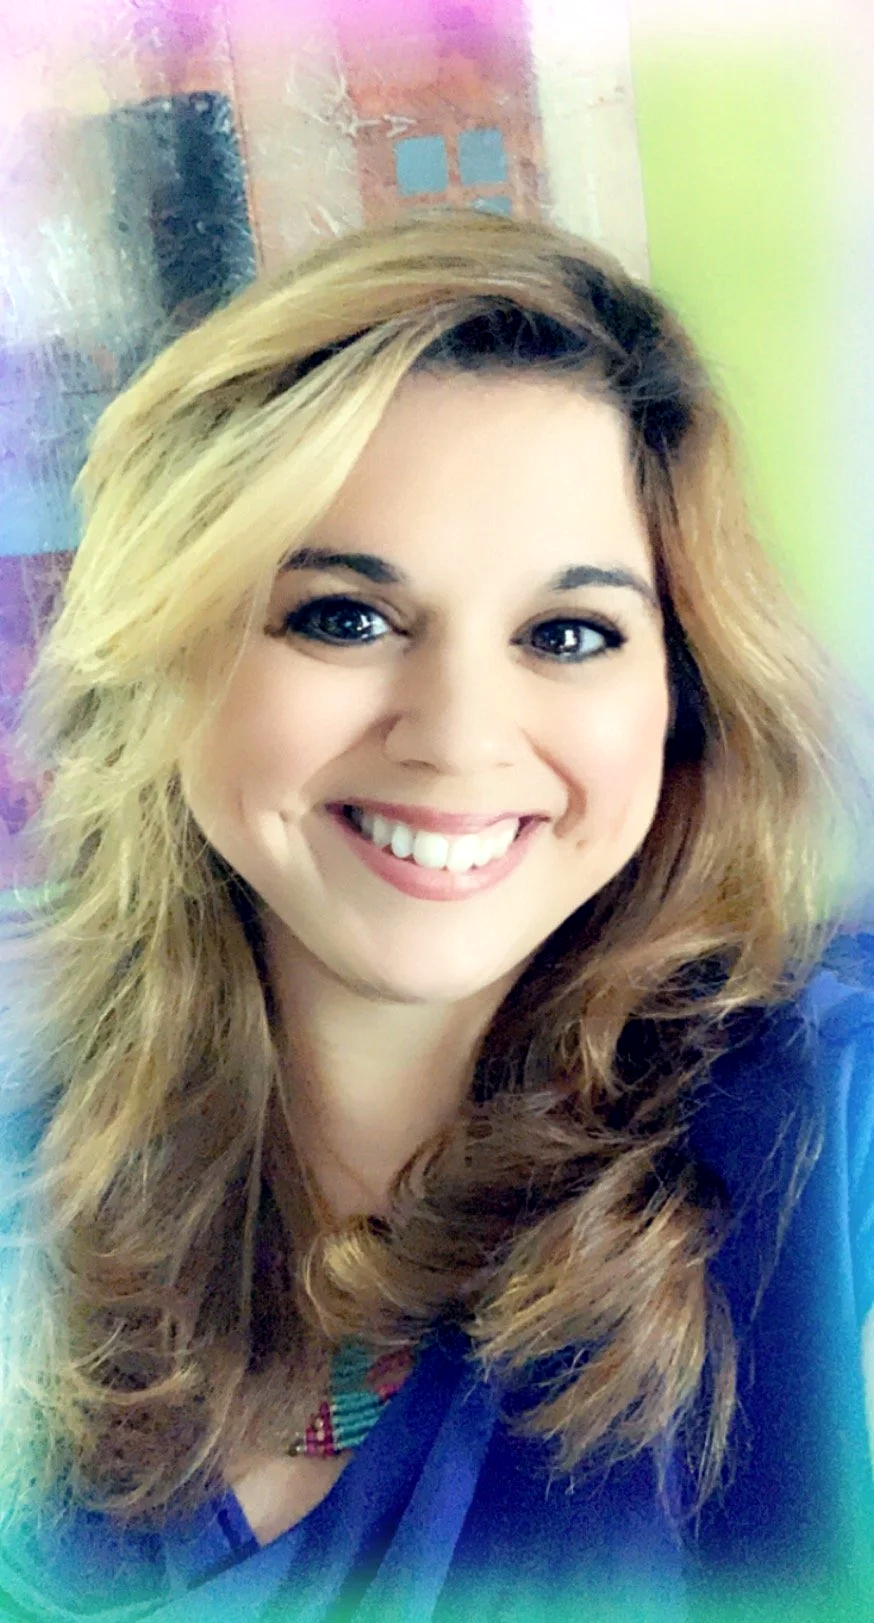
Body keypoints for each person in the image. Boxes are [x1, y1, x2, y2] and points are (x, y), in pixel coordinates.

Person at [0, 207, 872, 1623]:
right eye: (344, 615)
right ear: (166, 647)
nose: (459, 736)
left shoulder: (828, 1138)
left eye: (568, 634)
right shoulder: (34, 1159)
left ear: (680, 701)